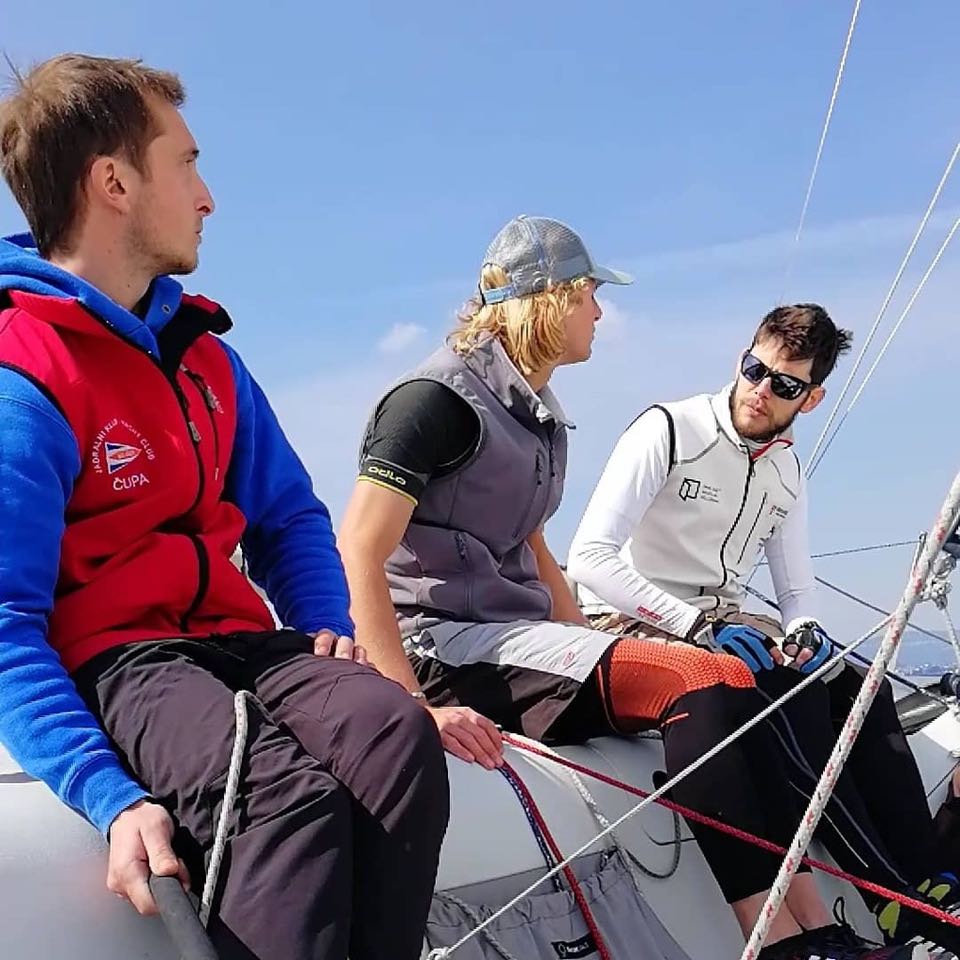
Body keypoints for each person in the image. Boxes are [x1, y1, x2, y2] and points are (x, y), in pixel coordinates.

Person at [337, 216, 921, 959]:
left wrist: (591, 648)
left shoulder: (536, 416)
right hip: (449, 648)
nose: (600, 313)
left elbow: (533, 545)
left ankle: (819, 924)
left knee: (746, 684)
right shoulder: (434, 402)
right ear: (549, 300)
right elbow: (359, 547)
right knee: (705, 676)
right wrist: (413, 706)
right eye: (589, 295)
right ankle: (774, 938)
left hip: (523, 640)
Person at [0, 54, 448, 960]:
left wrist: (325, 626)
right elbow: (4, 619)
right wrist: (108, 795)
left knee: (394, 731)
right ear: (115, 183)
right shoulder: (24, 373)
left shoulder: (206, 357)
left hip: (240, 641)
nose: (208, 198)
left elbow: (289, 516)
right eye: (188, 164)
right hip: (122, 660)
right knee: (278, 797)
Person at [567, 303, 959, 952]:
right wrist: (695, 624)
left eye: (784, 384)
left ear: (811, 398)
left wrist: (806, 629)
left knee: (861, 687)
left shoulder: (786, 469)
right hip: (632, 614)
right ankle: (894, 901)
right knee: (789, 697)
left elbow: (796, 591)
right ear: (741, 360)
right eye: (755, 370)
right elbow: (589, 558)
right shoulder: (671, 429)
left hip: (725, 620)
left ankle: (927, 880)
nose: (760, 390)